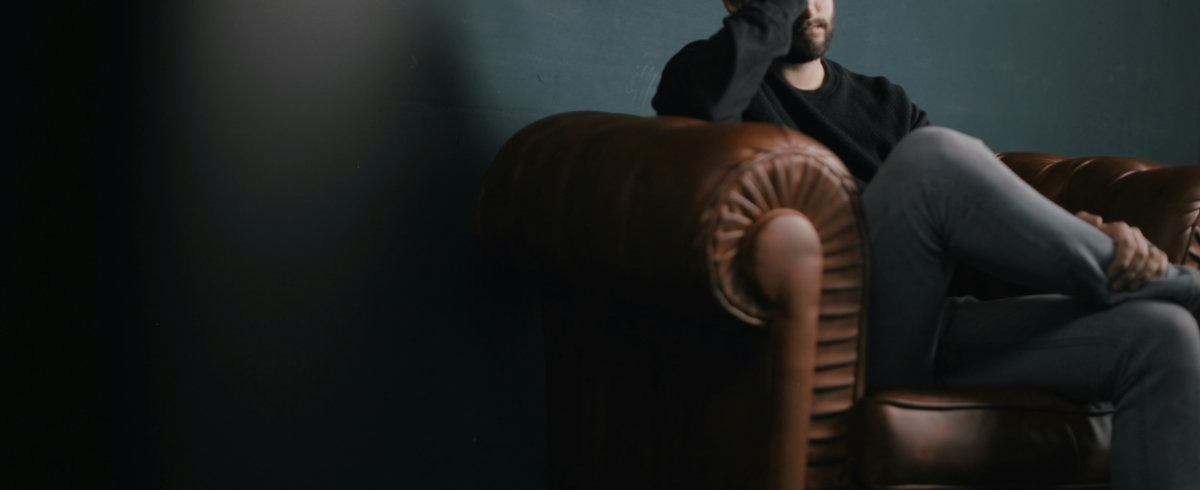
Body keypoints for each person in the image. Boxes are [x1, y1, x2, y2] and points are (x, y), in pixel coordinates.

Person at [652, 1, 1200, 488]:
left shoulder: (883, 103)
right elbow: (700, 113)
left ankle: (1146, 284)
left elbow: (974, 216)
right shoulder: (709, 76)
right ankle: (1174, 285)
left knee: (1162, 335)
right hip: (838, 344)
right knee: (932, 158)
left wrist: (1086, 232)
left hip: (936, 329)